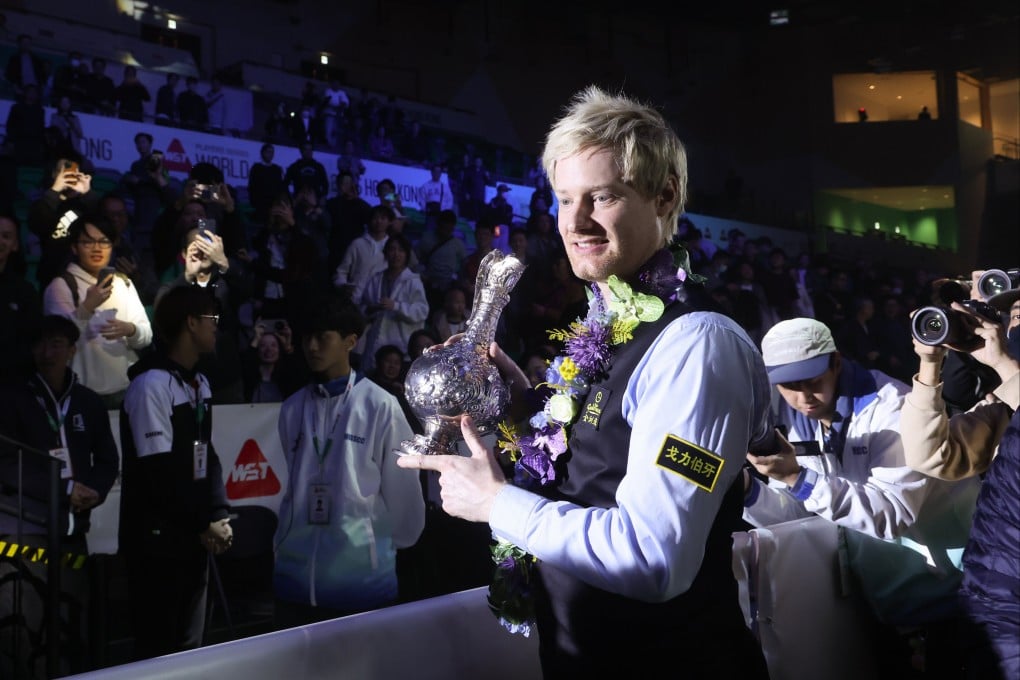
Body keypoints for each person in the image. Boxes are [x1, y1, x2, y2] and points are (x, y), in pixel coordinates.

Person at [396, 86, 772, 678]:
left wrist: (496, 502)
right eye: (565, 199)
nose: (575, 222)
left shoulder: (698, 348)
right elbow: (597, 463)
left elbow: (654, 558)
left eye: (603, 196)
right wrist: (518, 406)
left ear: (664, 195)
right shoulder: (609, 327)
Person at [745, 317, 980, 674]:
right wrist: (748, 494)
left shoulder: (894, 407)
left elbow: (891, 515)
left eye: (812, 381)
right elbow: (796, 516)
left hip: (951, 596)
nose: (803, 397)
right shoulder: (795, 418)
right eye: (788, 386)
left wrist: (797, 477)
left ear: (836, 362)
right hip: (879, 600)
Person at [272, 290, 425, 626]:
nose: (311, 347)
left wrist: (374, 551)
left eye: (322, 337)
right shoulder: (293, 407)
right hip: (293, 581)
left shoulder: (379, 405)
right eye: (306, 338)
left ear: (350, 341)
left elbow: (404, 498)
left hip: (361, 582)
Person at [901, 288, 1020, 680]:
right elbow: (931, 456)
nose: (1008, 327)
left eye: (1018, 316)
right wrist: (930, 361)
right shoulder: (1010, 395)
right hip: (994, 610)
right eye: (1011, 317)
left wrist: (1008, 369)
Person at [0, 315, 119, 678]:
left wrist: (94, 490)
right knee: (21, 630)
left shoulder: (87, 402)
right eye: (40, 344)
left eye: (55, 344)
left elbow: (108, 459)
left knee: (69, 625)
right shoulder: (12, 396)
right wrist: (65, 489)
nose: (46, 352)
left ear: (71, 350)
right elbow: (6, 462)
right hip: (23, 530)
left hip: (71, 530)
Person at [118, 285, 233, 660]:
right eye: (211, 320)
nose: (216, 328)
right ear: (190, 323)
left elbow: (207, 454)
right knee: (158, 652)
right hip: (155, 543)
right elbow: (158, 473)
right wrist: (203, 522)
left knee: (191, 649)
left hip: (192, 536)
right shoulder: (150, 385)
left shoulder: (200, 383)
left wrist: (218, 513)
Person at [43, 215, 153, 409]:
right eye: (88, 242)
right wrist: (86, 307)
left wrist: (130, 329)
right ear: (74, 247)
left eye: (104, 242)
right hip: (81, 395)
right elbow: (57, 344)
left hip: (126, 391)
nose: (97, 248)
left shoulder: (122, 282)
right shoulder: (61, 286)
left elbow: (146, 336)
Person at [355, 234, 429, 374]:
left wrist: (396, 306)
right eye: (392, 249)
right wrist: (370, 309)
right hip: (375, 340)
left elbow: (422, 311)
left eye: (400, 250)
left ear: (406, 254)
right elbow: (363, 306)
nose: (396, 254)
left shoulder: (412, 281)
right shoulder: (377, 278)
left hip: (400, 342)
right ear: (386, 253)